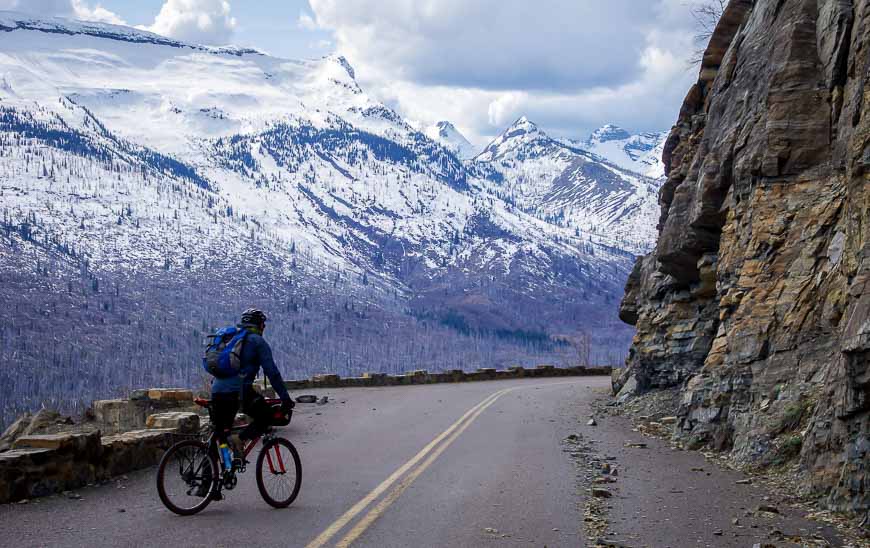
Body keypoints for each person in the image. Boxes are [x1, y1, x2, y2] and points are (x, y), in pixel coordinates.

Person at [210, 308, 294, 456]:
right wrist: (285, 399)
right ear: (260, 325)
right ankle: (240, 439)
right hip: (239, 392)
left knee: (220, 433)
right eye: (263, 325)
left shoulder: (231, 338)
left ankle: (208, 474)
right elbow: (272, 373)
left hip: (216, 390)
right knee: (266, 416)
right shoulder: (257, 341)